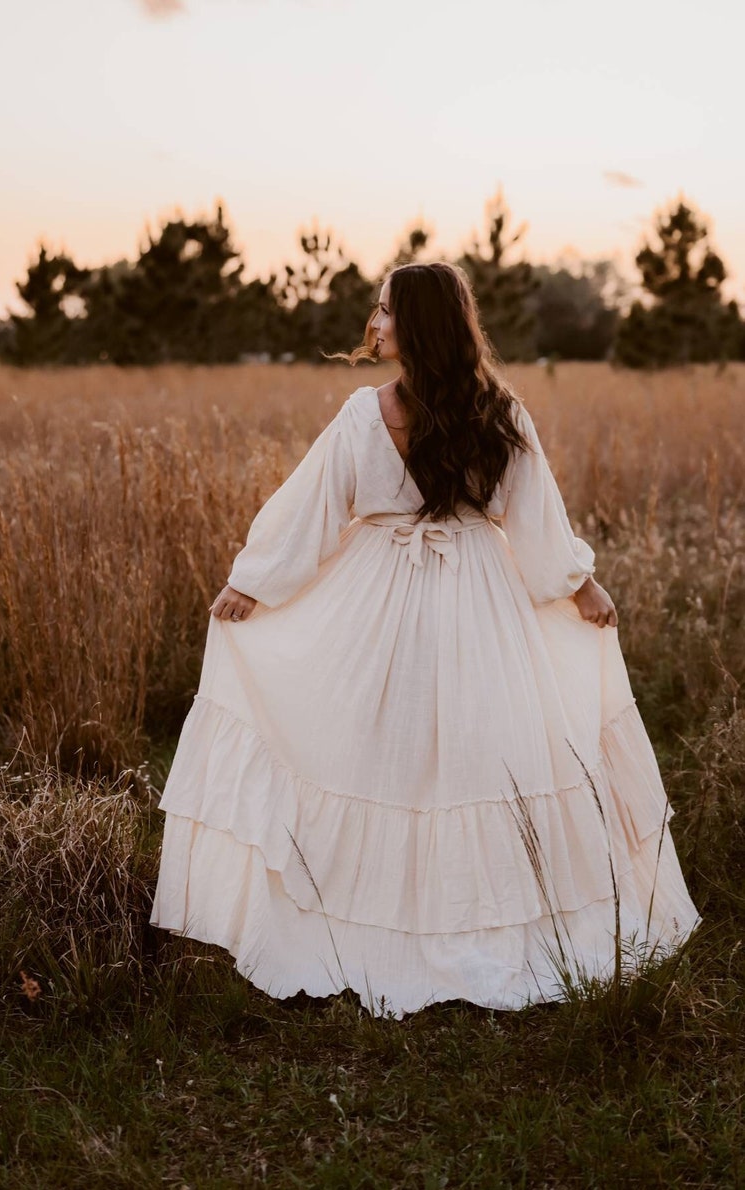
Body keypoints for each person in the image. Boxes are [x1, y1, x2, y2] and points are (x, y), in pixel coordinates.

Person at [151, 262, 699, 1016]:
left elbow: (533, 517)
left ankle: (451, 915)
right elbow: (318, 506)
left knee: (460, 755)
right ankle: (378, 914)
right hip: (451, 593)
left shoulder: (481, 413)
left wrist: (583, 586)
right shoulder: (472, 410)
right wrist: (252, 580)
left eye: (383, 312)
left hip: (420, 596)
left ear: (416, 324)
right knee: (403, 752)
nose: (372, 325)